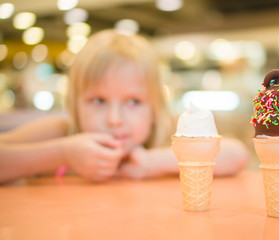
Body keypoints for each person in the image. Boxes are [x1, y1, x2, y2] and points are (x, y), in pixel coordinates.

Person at [0, 29, 249, 183]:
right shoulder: (62, 132)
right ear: (74, 104)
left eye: (133, 102)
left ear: (154, 109)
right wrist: (63, 154)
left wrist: (150, 163)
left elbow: (236, 154)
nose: (114, 119)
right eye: (98, 101)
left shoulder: (167, 135)